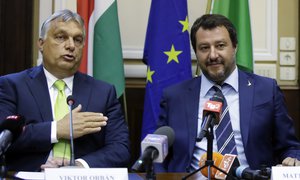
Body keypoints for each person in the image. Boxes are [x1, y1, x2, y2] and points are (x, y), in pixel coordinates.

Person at [155, 14, 300, 173]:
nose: (213, 55)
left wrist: (292, 159)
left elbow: (289, 146)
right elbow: (158, 155)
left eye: (220, 45)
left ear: (235, 46)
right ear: (196, 52)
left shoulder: (266, 90)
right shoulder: (175, 96)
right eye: (204, 48)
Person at [0, 9, 130, 171]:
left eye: (77, 40)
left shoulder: (103, 92)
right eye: (61, 37)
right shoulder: (12, 86)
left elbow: (120, 149)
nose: (70, 46)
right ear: (41, 43)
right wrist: (56, 129)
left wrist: (79, 166)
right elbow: (3, 139)